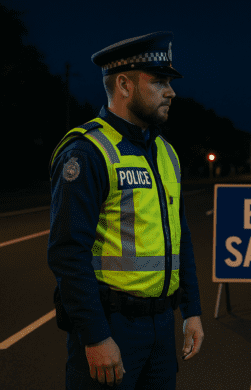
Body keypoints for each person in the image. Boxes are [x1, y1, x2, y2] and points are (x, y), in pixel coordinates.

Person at [47, 31, 204, 389]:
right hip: (112, 325)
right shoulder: (88, 152)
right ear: (124, 85)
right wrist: (95, 336)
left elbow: (180, 239)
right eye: (160, 81)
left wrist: (191, 311)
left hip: (161, 327)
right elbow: (68, 253)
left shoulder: (166, 152)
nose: (171, 91)